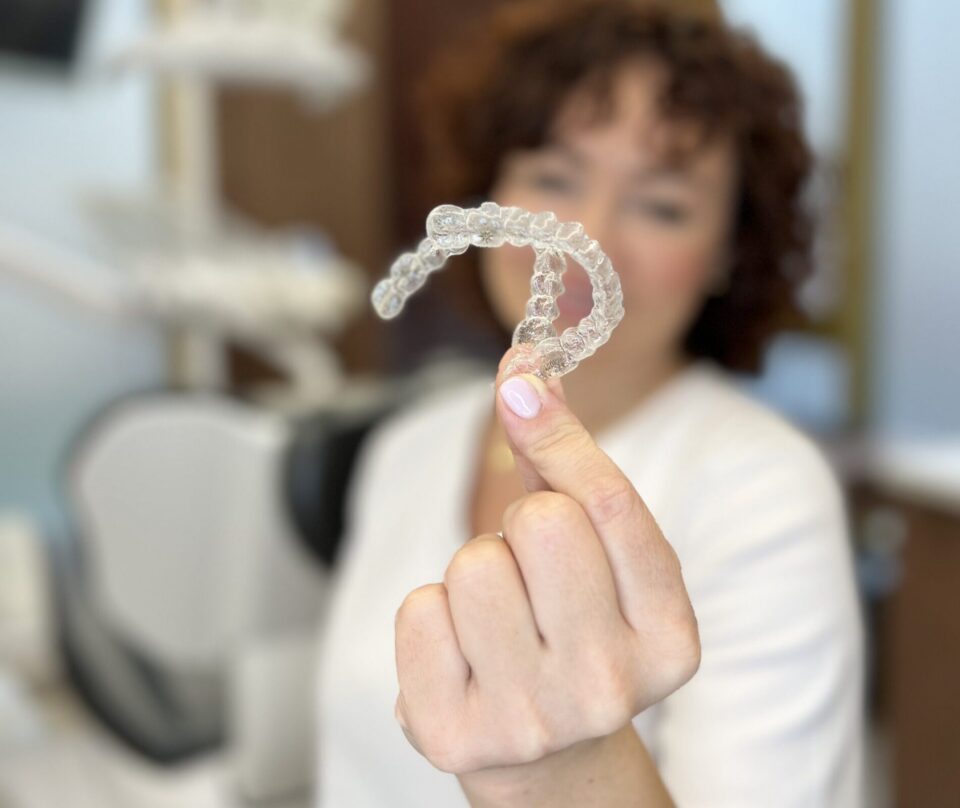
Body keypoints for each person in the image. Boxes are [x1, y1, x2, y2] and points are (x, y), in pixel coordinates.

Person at [315, 1, 865, 805]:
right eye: (553, 178)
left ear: (728, 251)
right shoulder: (406, 447)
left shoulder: (765, 491)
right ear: (489, 193)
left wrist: (569, 768)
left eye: (662, 205)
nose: (589, 238)